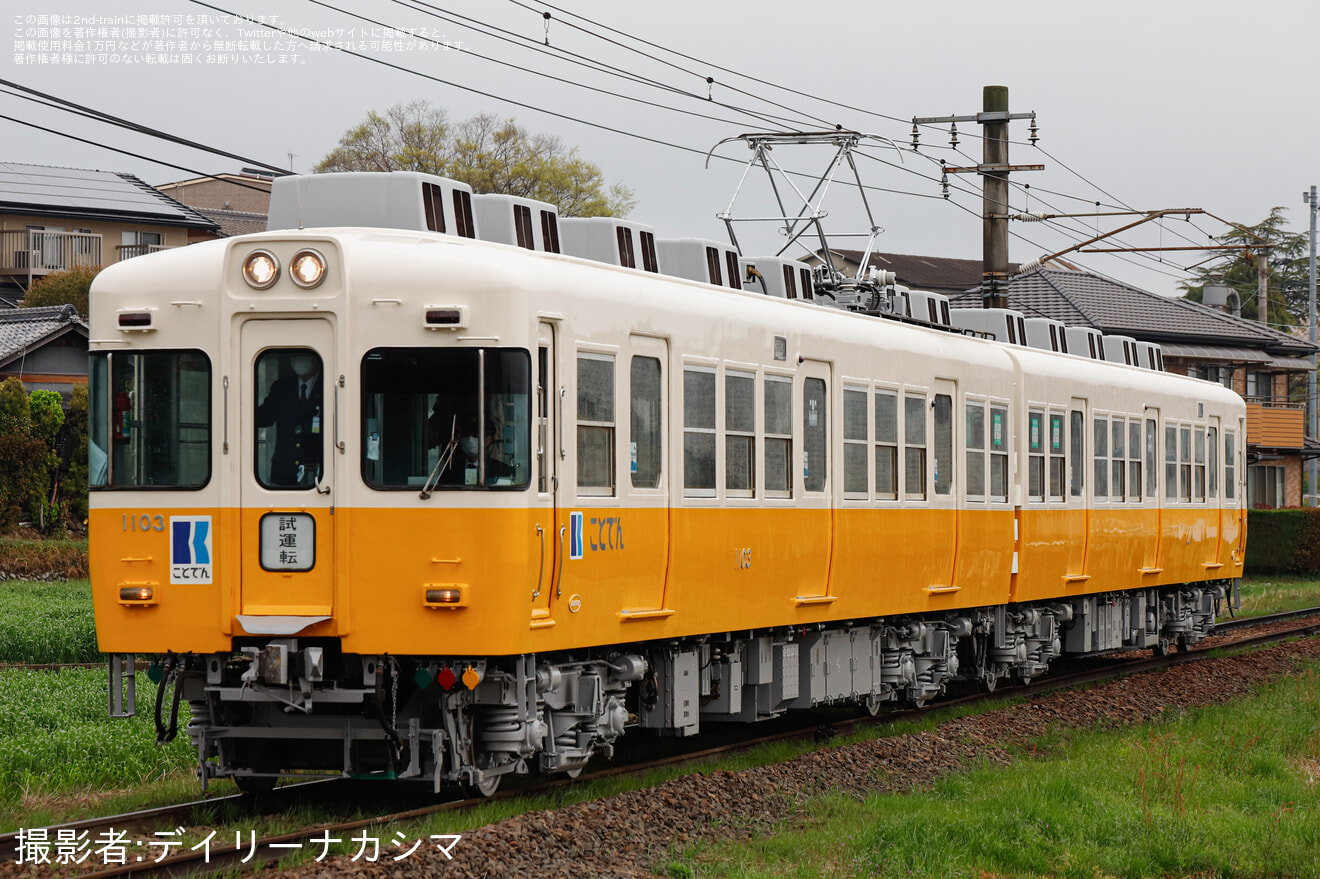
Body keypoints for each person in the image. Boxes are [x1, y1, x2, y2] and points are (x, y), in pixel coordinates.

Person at [255, 352, 322, 487]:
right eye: (295, 357)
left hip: (316, 470)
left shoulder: (326, 385)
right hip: (283, 472)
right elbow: (263, 418)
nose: (298, 361)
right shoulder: (281, 387)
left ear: (314, 360)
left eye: (302, 356)